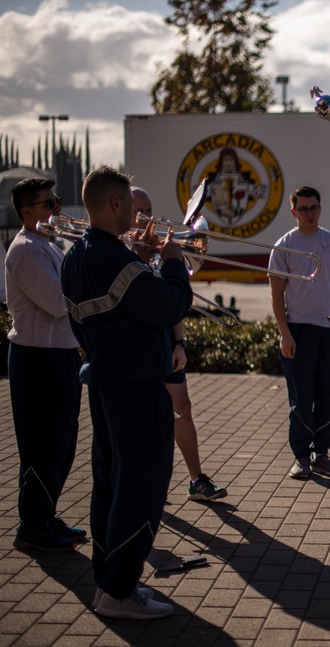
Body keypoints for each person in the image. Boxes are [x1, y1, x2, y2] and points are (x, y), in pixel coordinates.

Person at [61, 167, 193, 619]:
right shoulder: (115, 259)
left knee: (111, 488)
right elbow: (170, 306)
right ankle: (119, 591)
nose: (139, 220)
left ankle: (109, 583)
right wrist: (173, 260)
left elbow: (114, 310)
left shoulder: (76, 255)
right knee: (142, 489)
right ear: (115, 204)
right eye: (133, 209)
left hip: (106, 383)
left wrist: (136, 257)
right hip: (136, 386)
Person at [131, 187, 227, 501]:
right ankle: (143, 483)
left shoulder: (156, 250)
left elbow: (173, 302)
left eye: (148, 209)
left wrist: (180, 343)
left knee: (181, 408)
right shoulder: (118, 253)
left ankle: (196, 479)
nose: (145, 217)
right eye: (138, 210)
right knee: (142, 418)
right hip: (135, 347)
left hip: (164, 343)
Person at [4, 178, 85, 552]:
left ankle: (46, 515)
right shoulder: (24, 250)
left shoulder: (48, 246)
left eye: (56, 201)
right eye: (48, 203)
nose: (56, 209)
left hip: (60, 354)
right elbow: (56, 302)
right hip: (37, 357)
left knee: (63, 443)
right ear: (28, 211)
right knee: (42, 445)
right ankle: (31, 527)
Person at [269, 186, 330, 480]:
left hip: (329, 331)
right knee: (301, 400)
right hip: (298, 331)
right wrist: (284, 334)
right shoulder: (284, 246)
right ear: (293, 212)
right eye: (303, 209)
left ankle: (322, 455)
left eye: (314, 207)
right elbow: (276, 295)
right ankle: (301, 457)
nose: (309, 214)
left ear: (320, 208)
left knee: (329, 397)